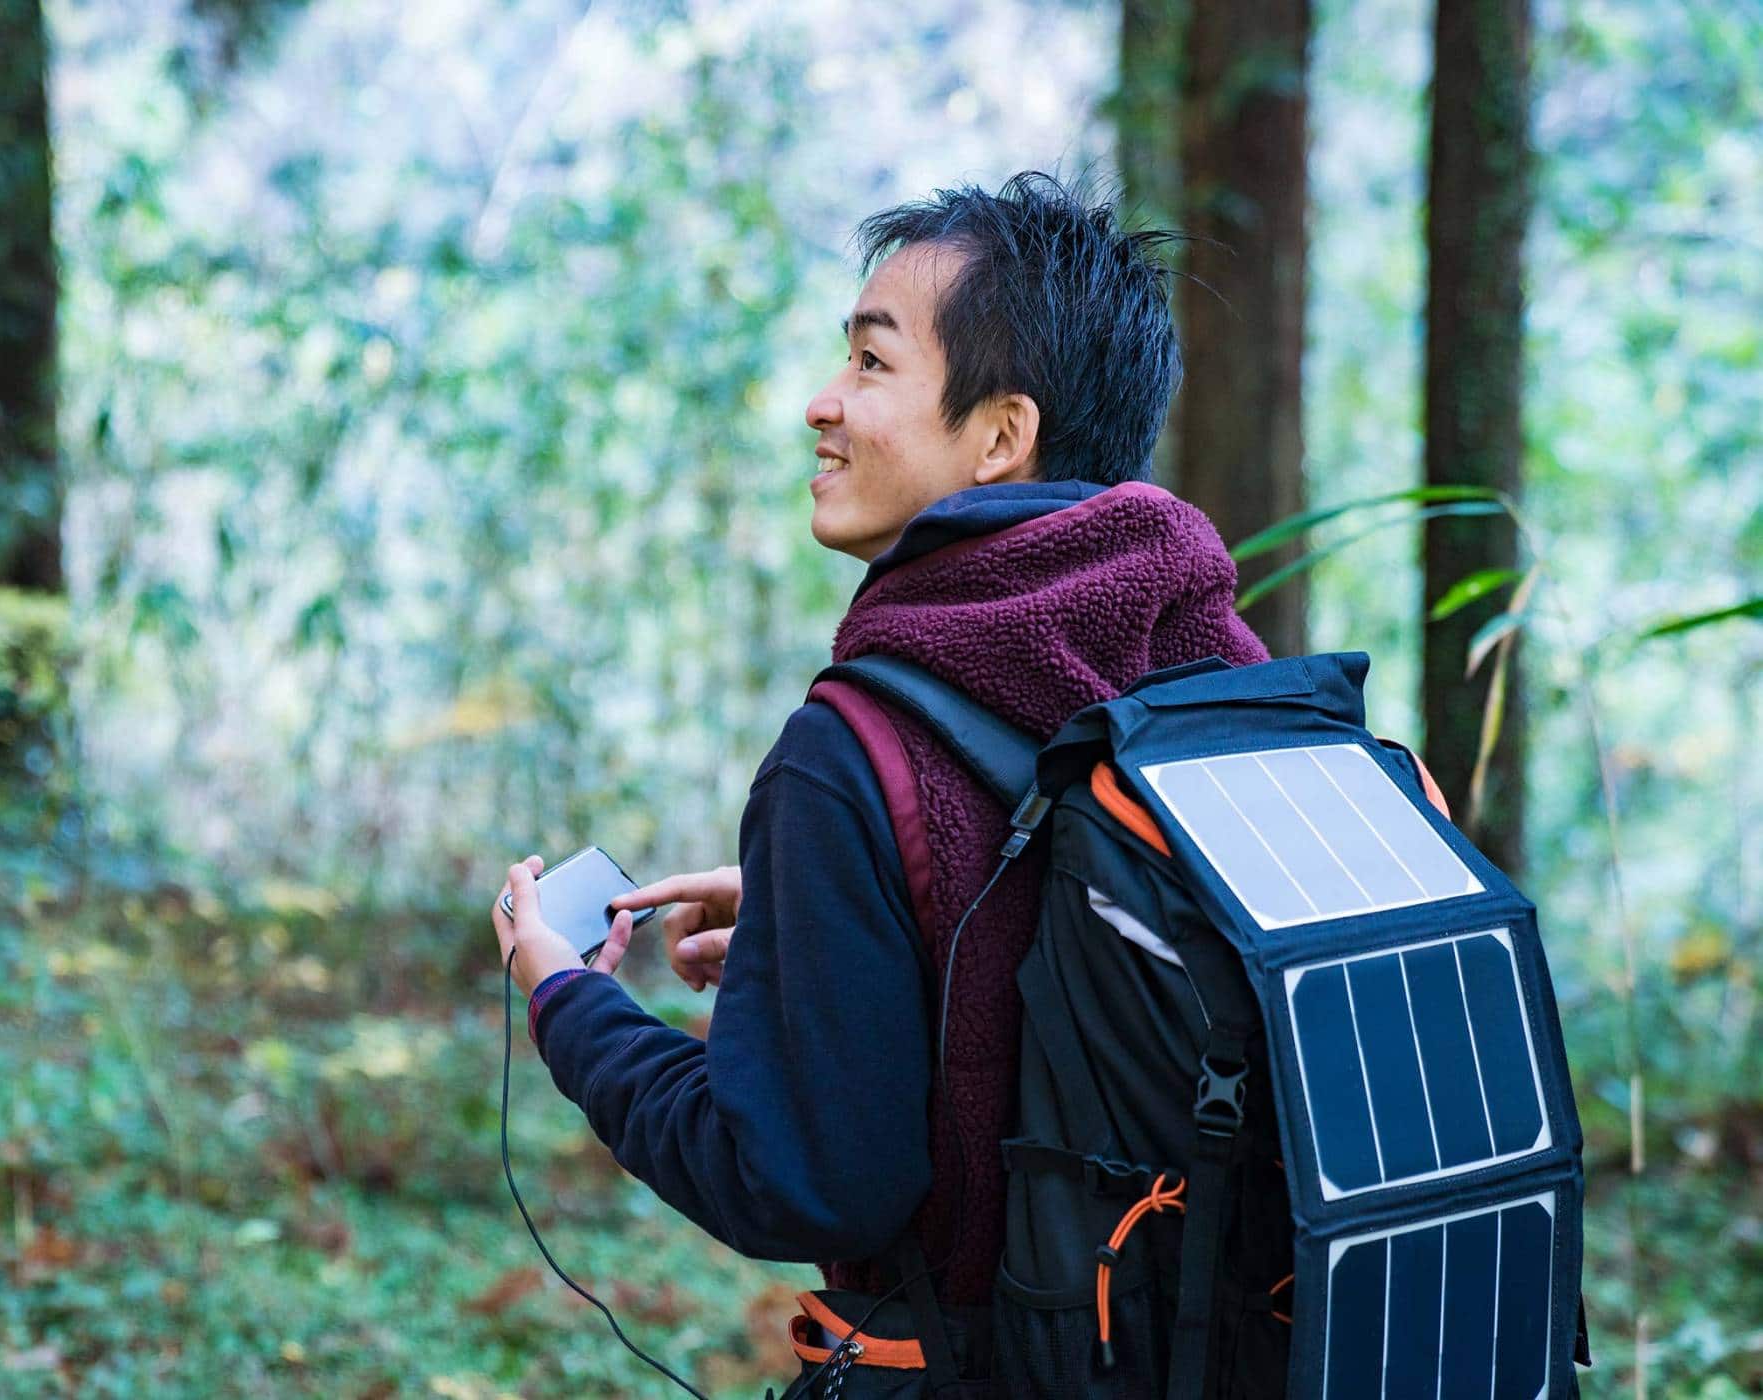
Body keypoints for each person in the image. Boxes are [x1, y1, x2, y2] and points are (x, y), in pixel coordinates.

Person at [487, 170, 1269, 1388]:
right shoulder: (1214, 681)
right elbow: (1062, 955)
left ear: (1002, 434)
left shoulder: (850, 753)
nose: (821, 403)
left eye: (869, 362)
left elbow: (800, 1178)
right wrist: (824, 915)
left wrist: (568, 1005)